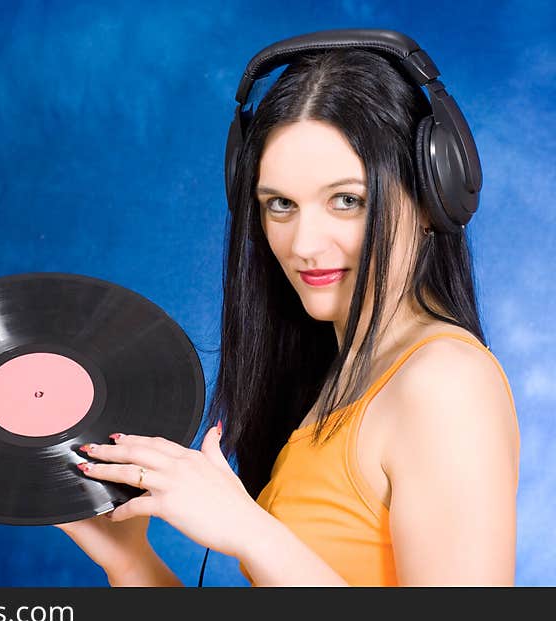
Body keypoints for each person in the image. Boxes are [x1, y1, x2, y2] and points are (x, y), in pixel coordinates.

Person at [56, 45, 520, 586]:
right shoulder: (339, 379)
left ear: (431, 198)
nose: (304, 244)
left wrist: (251, 531)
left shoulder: (444, 383)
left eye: (347, 200)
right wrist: (129, 559)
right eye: (281, 204)